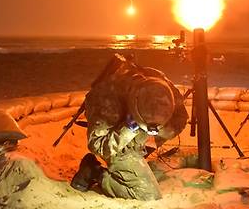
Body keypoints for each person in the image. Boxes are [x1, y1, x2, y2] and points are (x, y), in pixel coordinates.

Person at [70, 56, 188, 200]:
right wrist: (128, 129)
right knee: (148, 195)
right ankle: (94, 172)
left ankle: (133, 161)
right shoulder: (107, 99)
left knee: (142, 162)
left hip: (137, 137)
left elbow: (181, 119)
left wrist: (163, 129)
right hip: (117, 141)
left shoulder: (161, 88)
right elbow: (97, 146)